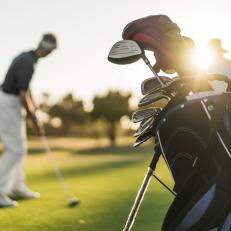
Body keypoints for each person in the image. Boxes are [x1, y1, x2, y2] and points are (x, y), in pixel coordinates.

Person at [0, 33, 57, 208]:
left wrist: (34, 108)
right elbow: (23, 95)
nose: (52, 53)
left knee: (21, 148)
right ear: (47, 48)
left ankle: (16, 187)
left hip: (12, 103)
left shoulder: (27, 57)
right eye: (52, 50)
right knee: (15, 148)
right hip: (8, 102)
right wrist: (34, 119)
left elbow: (26, 87)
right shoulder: (28, 62)